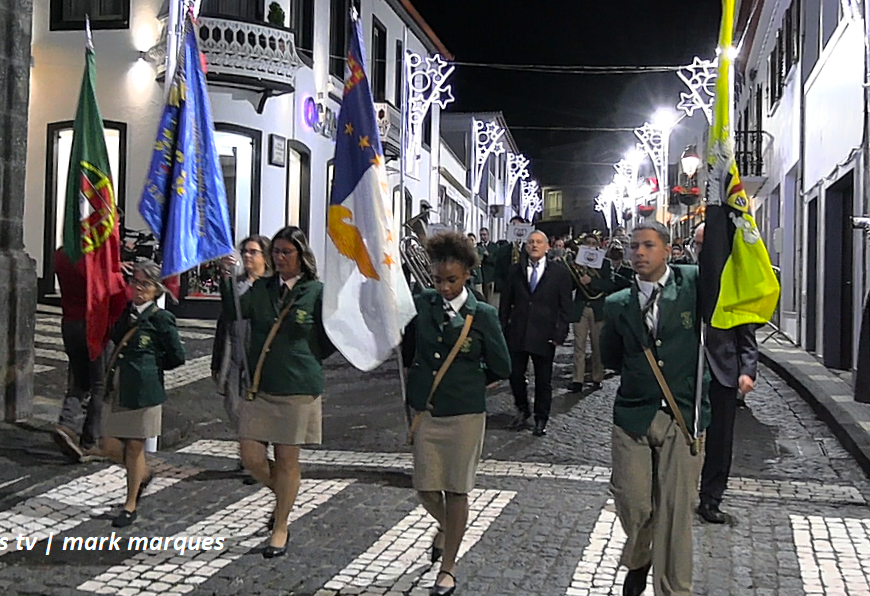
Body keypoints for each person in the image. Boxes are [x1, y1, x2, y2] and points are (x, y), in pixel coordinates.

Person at [600, 221, 710, 596]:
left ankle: (674, 590)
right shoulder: (617, 304)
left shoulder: (692, 284)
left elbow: (728, 278)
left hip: (683, 416)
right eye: (634, 246)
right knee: (633, 503)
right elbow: (611, 356)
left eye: (648, 245)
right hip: (633, 415)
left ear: (667, 249)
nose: (639, 253)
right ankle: (640, 556)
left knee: (676, 514)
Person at [402, 231, 511, 596]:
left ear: (467, 273)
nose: (444, 287)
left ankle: (447, 567)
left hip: (464, 414)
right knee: (425, 488)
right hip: (428, 410)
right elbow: (408, 348)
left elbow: (502, 365)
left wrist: (472, 382)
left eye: (451, 280)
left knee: (457, 490)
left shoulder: (483, 315)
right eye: (438, 280)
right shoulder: (423, 304)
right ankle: (448, 527)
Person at [219, 226, 334, 558]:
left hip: (297, 388)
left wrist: (305, 357)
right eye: (276, 252)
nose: (280, 258)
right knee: (251, 456)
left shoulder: (316, 292)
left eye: (286, 252)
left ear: (301, 255)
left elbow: (330, 337)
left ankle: (280, 525)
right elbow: (234, 311)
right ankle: (285, 494)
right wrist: (226, 279)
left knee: (286, 460)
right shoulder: (262, 288)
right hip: (261, 385)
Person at [102, 260, 186, 528]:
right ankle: (143, 473)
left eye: (145, 284)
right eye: (135, 282)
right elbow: (115, 337)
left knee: (135, 448)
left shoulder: (161, 319)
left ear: (157, 289)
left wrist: (151, 368)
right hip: (120, 387)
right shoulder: (127, 313)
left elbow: (177, 356)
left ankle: (130, 504)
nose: (138, 288)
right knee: (110, 445)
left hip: (144, 391)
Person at [693, 222, 758, 524]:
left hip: (724, 372)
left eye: (708, 244)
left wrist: (747, 371)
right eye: (699, 244)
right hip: (689, 370)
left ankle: (711, 498)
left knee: (720, 442)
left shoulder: (734, 281)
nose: (703, 250)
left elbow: (747, 334)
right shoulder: (685, 277)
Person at [52, 248, 126, 462]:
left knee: (79, 380)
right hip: (95, 325)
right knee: (100, 385)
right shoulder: (96, 257)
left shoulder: (63, 253)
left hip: (70, 322)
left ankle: (67, 424)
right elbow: (115, 293)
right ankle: (90, 441)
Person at [500, 230, 573, 436]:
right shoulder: (515, 271)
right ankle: (522, 409)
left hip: (545, 334)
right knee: (515, 375)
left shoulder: (559, 273)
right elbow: (505, 303)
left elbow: (566, 306)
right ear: (526, 246)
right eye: (531, 242)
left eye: (539, 242)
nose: (534, 245)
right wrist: (503, 328)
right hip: (518, 331)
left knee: (543, 380)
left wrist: (560, 333)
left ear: (547, 247)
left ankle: (541, 417)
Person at [212, 235, 271, 481]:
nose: (247, 256)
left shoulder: (270, 286)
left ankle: (254, 459)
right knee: (234, 407)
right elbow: (225, 320)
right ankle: (250, 452)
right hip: (234, 353)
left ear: (265, 257)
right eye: (245, 251)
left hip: (258, 357)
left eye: (253, 252)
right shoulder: (237, 285)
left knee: (256, 410)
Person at [569, 234, 616, 393]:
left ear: (598, 245)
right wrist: (572, 272)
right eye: (587, 243)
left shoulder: (605, 262)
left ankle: (597, 377)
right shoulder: (578, 262)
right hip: (581, 307)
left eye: (593, 243)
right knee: (579, 345)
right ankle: (577, 380)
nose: (590, 245)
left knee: (597, 346)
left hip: (598, 308)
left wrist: (592, 281)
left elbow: (610, 284)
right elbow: (570, 285)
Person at [477, 227, 498, 305]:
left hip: (489, 275)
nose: (483, 237)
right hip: (480, 276)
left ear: (488, 235)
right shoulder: (478, 246)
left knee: (489, 297)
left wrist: (487, 255)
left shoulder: (494, 246)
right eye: (481, 235)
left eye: (484, 235)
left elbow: (496, 260)